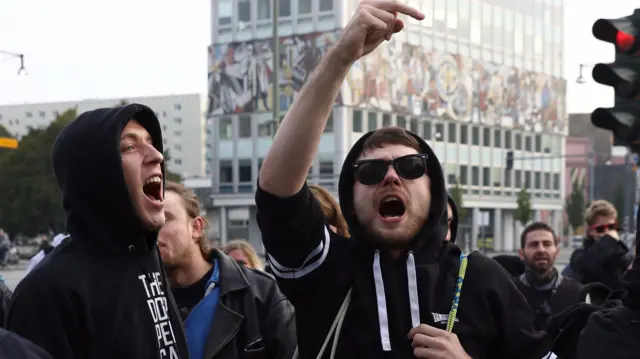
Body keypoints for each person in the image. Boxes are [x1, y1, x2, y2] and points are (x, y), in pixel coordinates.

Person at [255, 2, 548, 358]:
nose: (391, 177)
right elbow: (277, 195)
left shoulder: (481, 279)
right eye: (371, 172)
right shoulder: (326, 270)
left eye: (409, 167)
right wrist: (341, 58)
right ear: (351, 194)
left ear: (433, 189)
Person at [6, 104, 189, 359]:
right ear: (98, 175)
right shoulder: (47, 292)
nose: (157, 155)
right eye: (130, 147)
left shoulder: (147, 259)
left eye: (151, 142)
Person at [159, 181, 296, 359]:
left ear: (196, 228)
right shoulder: (136, 300)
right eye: (148, 221)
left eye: (165, 219)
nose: (154, 228)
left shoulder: (260, 293)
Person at [515, 222, 583, 330]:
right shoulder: (510, 292)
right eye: (534, 244)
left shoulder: (577, 292)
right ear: (521, 253)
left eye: (547, 244)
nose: (541, 250)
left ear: (557, 251)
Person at [563, 200, 631, 291]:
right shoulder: (581, 256)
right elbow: (585, 267)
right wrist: (608, 240)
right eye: (600, 229)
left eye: (611, 227)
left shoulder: (622, 254)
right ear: (590, 231)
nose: (607, 232)